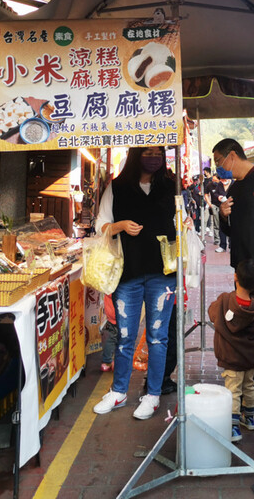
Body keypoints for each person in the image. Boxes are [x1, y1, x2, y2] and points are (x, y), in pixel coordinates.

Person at [92, 146, 176, 420]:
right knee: (125, 337)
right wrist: (120, 226)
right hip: (127, 274)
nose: (155, 157)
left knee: (157, 337)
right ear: (137, 153)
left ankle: (152, 395)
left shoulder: (171, 185)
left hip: (163, 274)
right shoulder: (117, 187)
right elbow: (101, 224)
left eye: (159, 152)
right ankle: (119, 391)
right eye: (149, 151)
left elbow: (182, 222)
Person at [208, 259, 254, 443]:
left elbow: (212, 313)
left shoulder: (224, 300)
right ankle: (250, 418)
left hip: (230, 358)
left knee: (233, 391)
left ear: (235, 277)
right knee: (249, 387)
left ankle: (233, 427)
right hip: (250, 358)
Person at [212, 138, 254, 269]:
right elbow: (230, 230)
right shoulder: (234, 189)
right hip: (240, 265)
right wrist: (223, 216)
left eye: (218, 161)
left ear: (232, 155)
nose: (218, 167)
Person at [100, 294, 118, 372]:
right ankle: (118, 363)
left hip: (111, 316)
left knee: (110, 339)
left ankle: (106, 363)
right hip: (124, 314)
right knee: (124, 340)